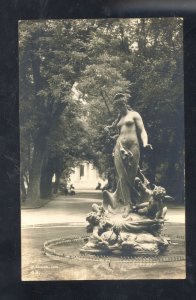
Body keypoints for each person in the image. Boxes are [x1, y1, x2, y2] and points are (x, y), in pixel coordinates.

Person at [103, 93, 152, 217]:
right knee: (121, 176)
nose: (120, 106)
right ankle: (126, 205)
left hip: (134, 146)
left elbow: (142, 130)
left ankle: (134, 201)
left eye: (121, 103)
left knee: (131, 175)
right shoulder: (119, 119)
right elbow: (117, 132)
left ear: (125, 103)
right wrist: (109, 130)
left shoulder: (134, 115)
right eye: (118, 105)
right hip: (119, 147)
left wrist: (145, 143)